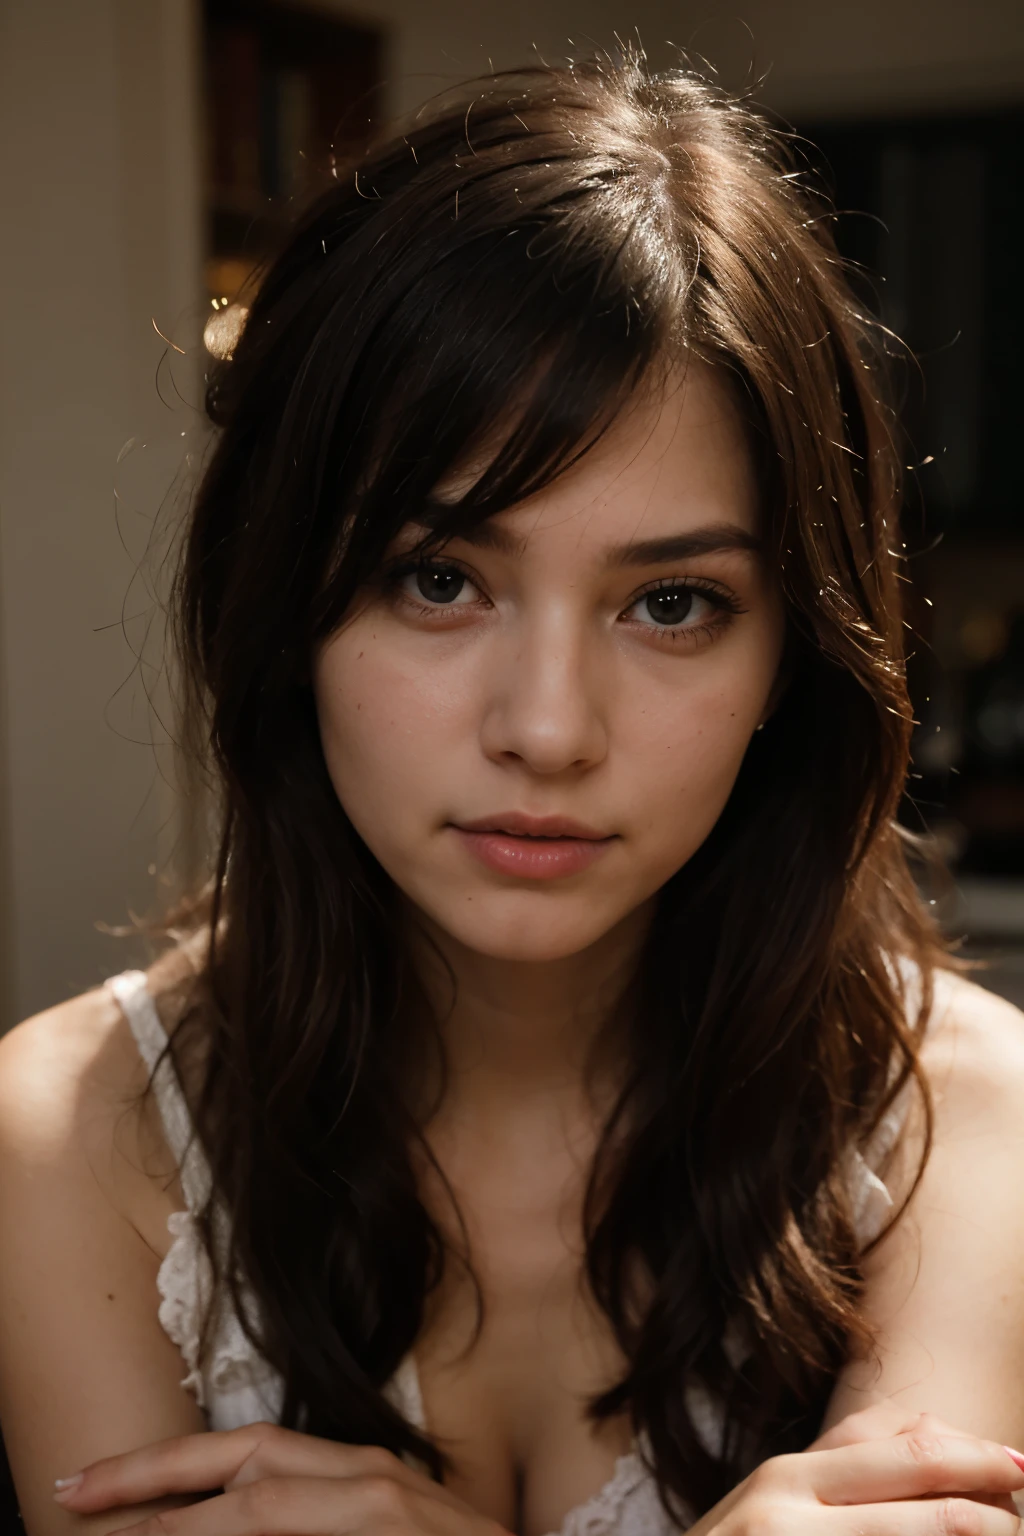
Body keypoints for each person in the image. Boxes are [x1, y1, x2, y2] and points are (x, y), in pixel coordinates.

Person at [0, 53, 1022, 1536]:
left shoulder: (966, 1121)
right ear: (287, 601)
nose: (548, 731)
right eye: (439, 579)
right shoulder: (65, 1144)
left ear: (795, 649)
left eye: (671, 603)